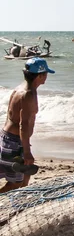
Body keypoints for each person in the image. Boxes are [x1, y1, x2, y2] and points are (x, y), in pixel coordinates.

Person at [1, 57, 55, 193]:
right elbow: (23, 125)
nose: (46, 77)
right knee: (14, 184)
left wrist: (25, 143)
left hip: (9, 138)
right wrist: (26, 151)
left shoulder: (20, 88)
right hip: (14, 141)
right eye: (46, 74)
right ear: (40, 75)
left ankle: (19, 203)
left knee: (25, 177)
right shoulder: (28, 94)